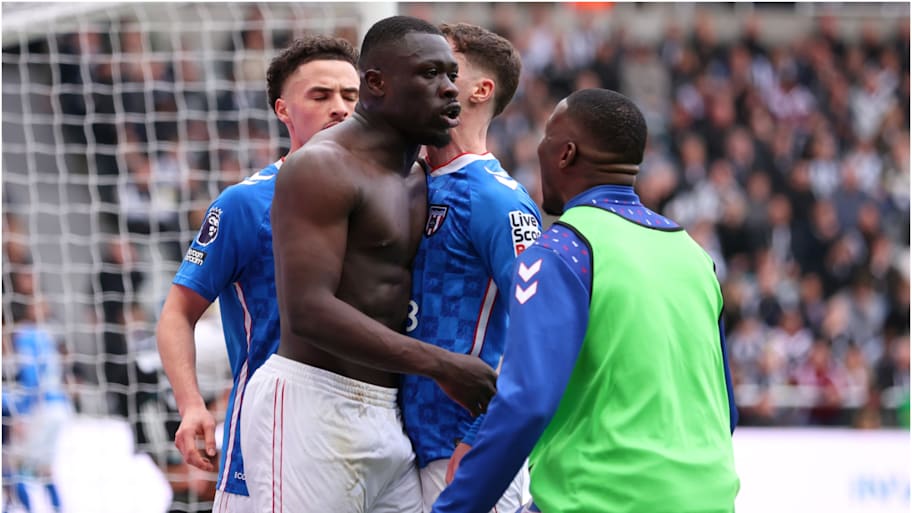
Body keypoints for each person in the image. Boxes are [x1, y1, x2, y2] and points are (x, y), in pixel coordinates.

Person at [432, 88, 740, 513]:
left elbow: (527, 403)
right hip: (711, 499)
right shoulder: (694, 256)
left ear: (565, 154)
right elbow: (725, 409)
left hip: (602, 500)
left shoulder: (562, 251)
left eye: (545, 138)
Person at [239, 16, 498, 513]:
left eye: (451, 75)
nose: (450, 90)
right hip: (311, 409)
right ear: (375, 83)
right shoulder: (320, 166)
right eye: (430, 75)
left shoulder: (421, 177)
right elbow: (308, 311)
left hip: (388, 418)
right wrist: (440, 364)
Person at [155, 35, 360, 513]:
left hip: (371, 439)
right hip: (268, 443)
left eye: (351, 97)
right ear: (283, 109)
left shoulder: (401, 197)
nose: (340, 109)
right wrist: (190, 405)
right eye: (321, 95)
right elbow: (176, 314)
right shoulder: (246, 204)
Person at [400, 22, 538, 512]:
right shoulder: (406, 183)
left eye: (444, 69)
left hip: (463, 451)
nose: (426, 78)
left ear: (480, 90)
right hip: (395, 446)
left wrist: (479, 441)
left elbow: (537, 335)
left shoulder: (499, 202)